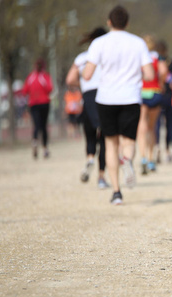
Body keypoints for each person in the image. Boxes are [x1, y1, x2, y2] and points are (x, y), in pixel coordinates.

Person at [82, 5, 154, 205]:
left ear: (109, 22)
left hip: (106, 99)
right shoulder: (138, 43)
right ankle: (127, 161)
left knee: (110, 144)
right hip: (130, 98)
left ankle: (116, 192)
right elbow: (149, 74)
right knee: (128, 141)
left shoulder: (99, 43)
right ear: (127, 23)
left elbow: (87, 74)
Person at [65, 26, 109, 189]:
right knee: (104, 137)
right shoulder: (106, 57)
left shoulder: (82, 58)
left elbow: (70, 80)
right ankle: (102, 176)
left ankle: (90, 158)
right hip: (104, 96)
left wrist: (83, 83)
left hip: (87, 97)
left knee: (90, 134)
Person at [137, 35, 168, 174]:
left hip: (141, 92)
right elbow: (163, 72)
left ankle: (142, 157)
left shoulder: (139, 56)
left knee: (141, 125)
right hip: (155, 92)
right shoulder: (158, 57)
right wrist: (161, 83)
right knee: (152, 127)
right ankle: (151, 159)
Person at [22, 58, 53, 159]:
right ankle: (45, 149)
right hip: (44, 103)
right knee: (43, 126)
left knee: (36, 124)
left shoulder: (31, 77)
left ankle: (35, 141)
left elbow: (24, 90)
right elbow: (49, 89)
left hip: (33, 104)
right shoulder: (44, 76)